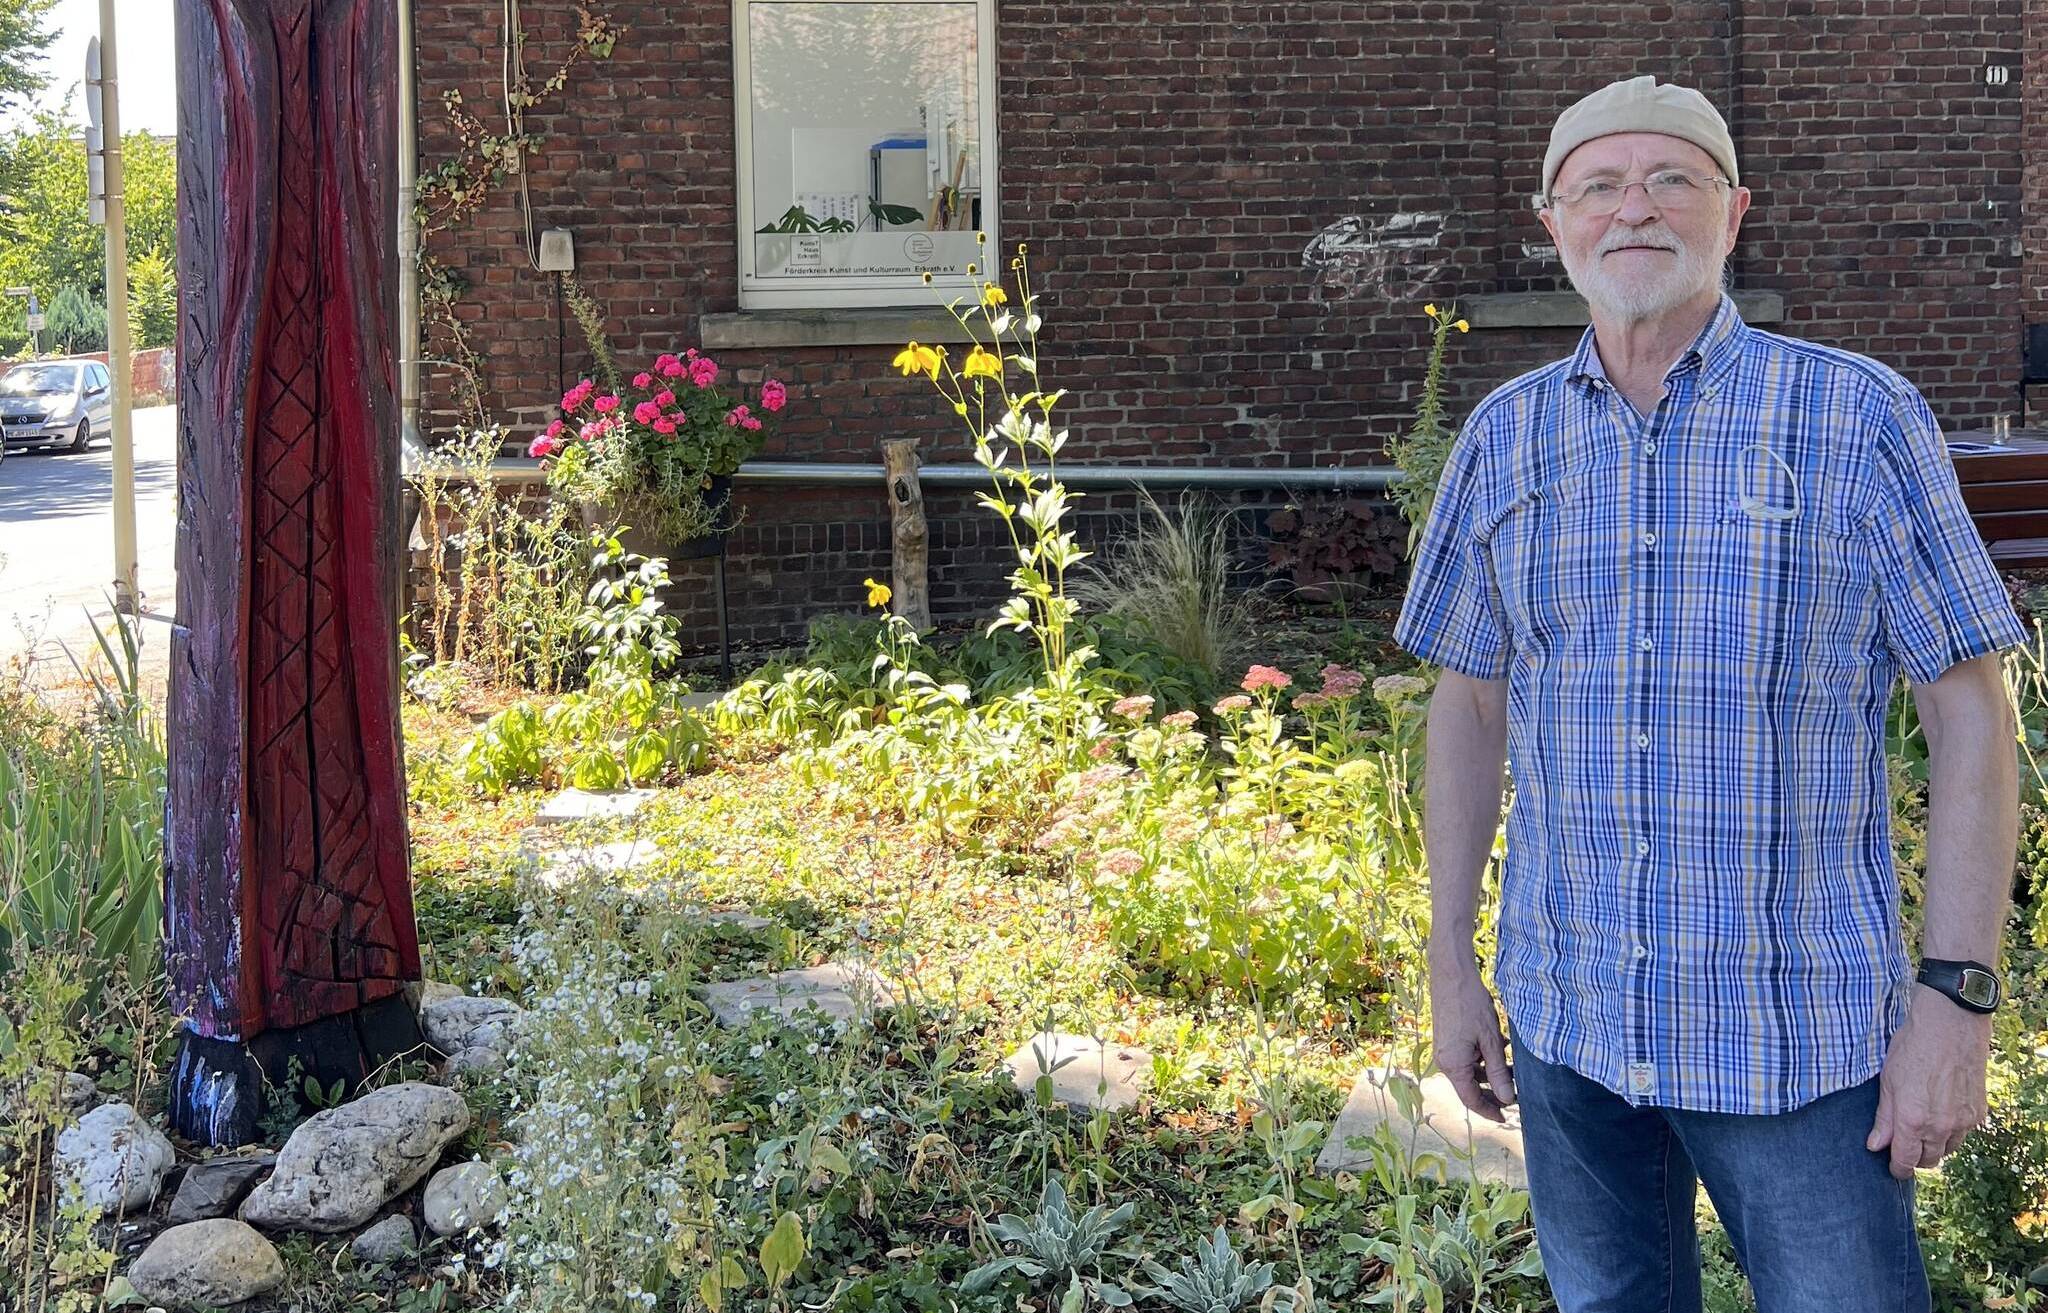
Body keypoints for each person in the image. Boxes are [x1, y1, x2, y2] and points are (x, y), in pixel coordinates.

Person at [1392, 74, 2027, 1313]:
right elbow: (1466, 704)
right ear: (1552, 222)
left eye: (1667, 178)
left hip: (1797, 1039)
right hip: (1569, 1023)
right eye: (1596, 186)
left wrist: (1954, 1001)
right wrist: (1449, 964)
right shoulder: (1503, 438)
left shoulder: (1854, 418)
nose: (1632, 209)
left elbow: (1969, 707)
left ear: (1730, 215)